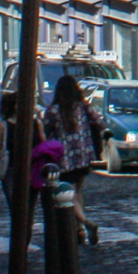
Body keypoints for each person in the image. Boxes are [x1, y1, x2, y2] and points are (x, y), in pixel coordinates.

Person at [42, 75, 107, 245]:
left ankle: (85, 223)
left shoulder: (54, 110)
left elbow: (44, 130)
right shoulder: (82, 106)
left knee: (67, 194)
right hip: (83, 155)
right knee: (77, 191)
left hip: (64, 158)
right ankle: (79, 230)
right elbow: (99, 121)